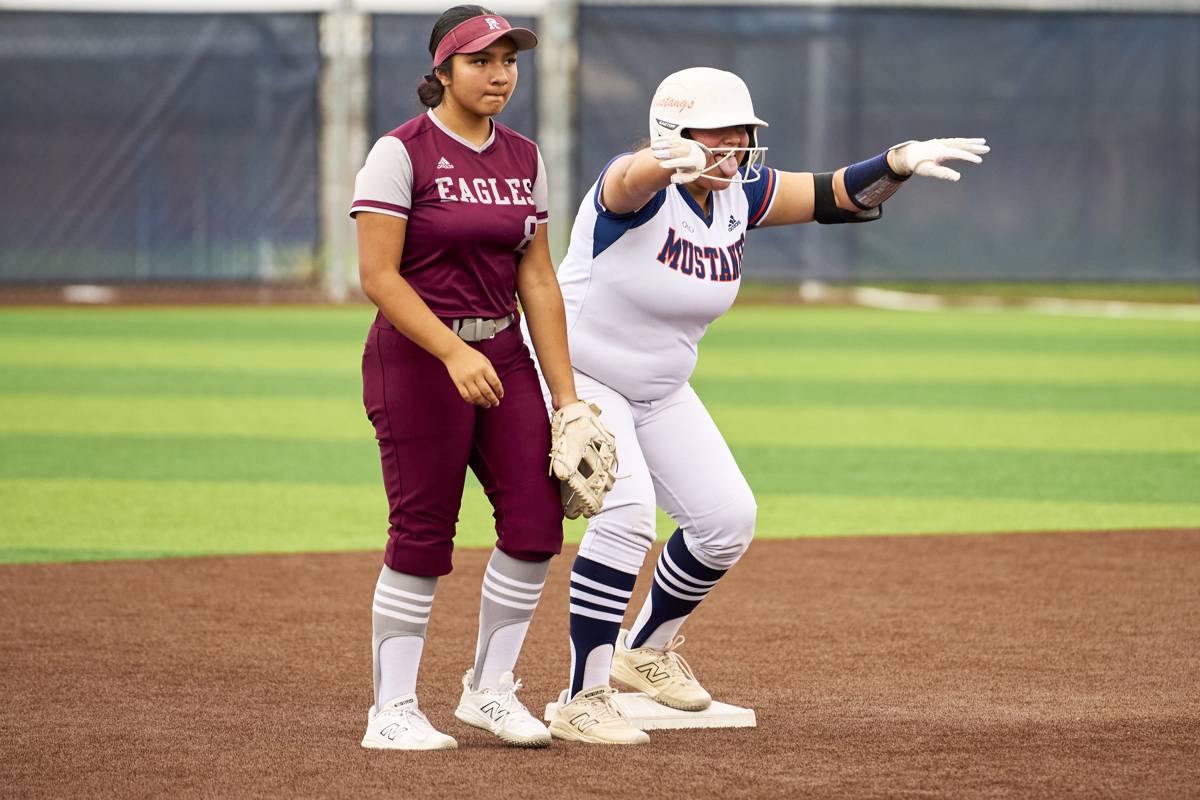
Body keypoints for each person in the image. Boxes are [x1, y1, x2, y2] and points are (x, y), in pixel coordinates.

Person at [536, 67, 988, 744]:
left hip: (660, 386)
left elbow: (836, 194)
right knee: (626, 515)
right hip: (583, 374)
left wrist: (897, 162)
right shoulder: (634, 193)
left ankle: (644, 651)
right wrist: (660, 161)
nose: (736, 146)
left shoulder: (736, 193)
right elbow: (627, 179)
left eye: (743, 133)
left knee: (726, 520)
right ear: (674, 133)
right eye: (718, 134)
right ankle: (583, 696)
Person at [351, 5, 604, 750]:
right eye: (480, 61)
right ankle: (392, 710)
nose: (500, 75)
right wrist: (452, 353)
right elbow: (378, 276)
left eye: (510, 61)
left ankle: (489, 690)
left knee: (536, 524)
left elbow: (538, 278)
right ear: (442, 70)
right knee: (424, 531)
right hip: (417, 356)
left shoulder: (524, 157)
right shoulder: (401, 152)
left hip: (504, 352)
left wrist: (567, 400)